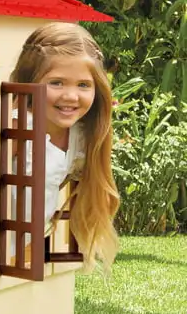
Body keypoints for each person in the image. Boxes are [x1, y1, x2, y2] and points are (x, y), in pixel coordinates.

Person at [10, 22, 119, 271]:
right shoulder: (18, 128)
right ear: (29, 81)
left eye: (83, 85)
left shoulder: (80, 136)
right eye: (57, 82)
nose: (70, 96)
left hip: (21, 251)